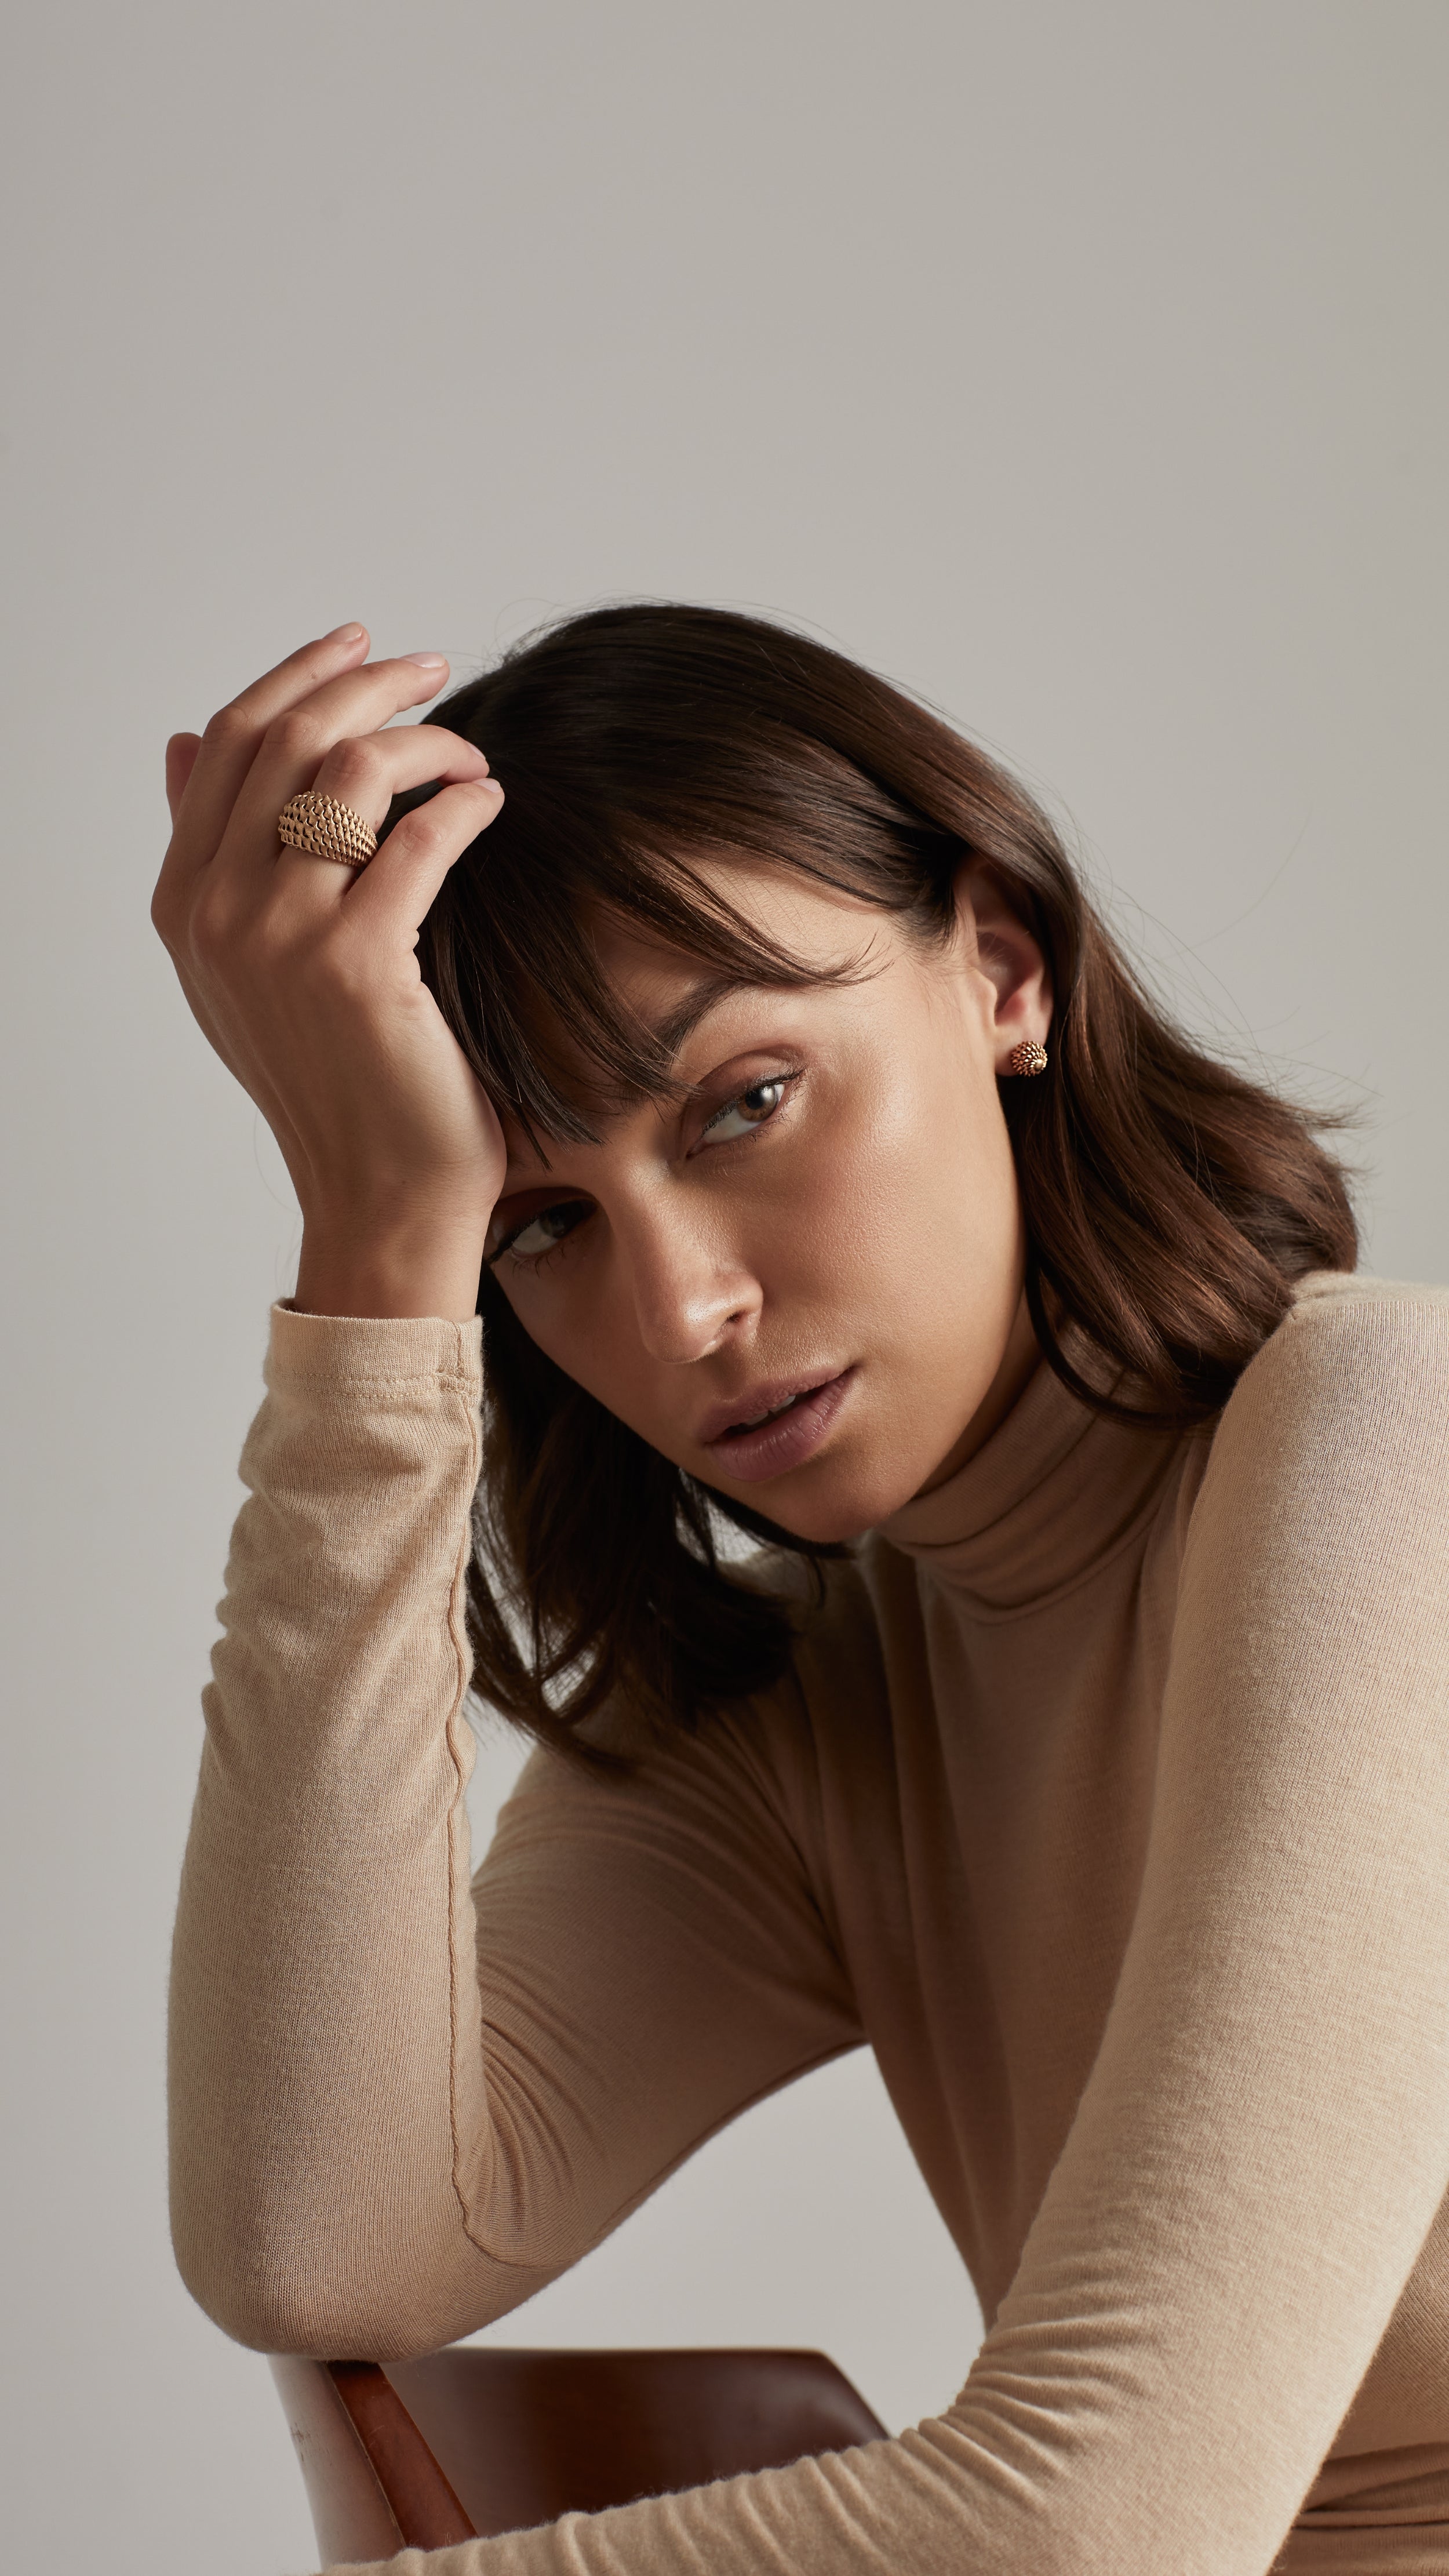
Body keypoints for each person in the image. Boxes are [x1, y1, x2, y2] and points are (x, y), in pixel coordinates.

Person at [154, 605, 1449, 2576]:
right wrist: (374, 1252)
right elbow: (314, 2230)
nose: (682, 1311)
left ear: (999, 967)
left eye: (743, 1102)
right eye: (545, 1223)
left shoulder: (1390, 1435)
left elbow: (1102, 2520)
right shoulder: (808, 1706)